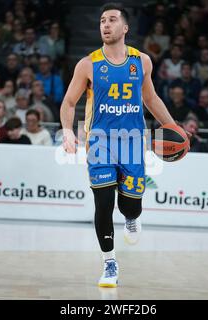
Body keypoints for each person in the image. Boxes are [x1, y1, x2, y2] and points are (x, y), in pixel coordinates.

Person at [60, 3, 178, 288]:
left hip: (133, 143)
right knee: (103, 204)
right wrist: (67, 130)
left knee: (131, 206)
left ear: (125, 28)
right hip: (99, 142)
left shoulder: (142, 62)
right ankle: (109, 263)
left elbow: (151, 99)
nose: (105, 24)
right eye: (102, 20)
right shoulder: (87, 64)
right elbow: (68, 102)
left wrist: (172, 126)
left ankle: (132, 218)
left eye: (112, 20)